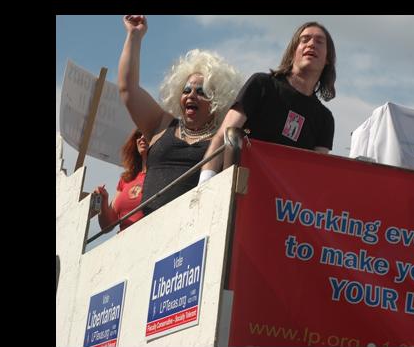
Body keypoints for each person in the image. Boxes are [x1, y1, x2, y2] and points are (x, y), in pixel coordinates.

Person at [118, 15, 243, 215]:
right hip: (149, 228)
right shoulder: (161, 124)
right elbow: (128, 89)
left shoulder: (222, 139)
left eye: (201, 92)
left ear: (216, 101)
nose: (191, 95)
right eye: (186, 90)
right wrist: (134, 35)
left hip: (196, 228)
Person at [199, 21, 337, 183]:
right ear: (293, 51)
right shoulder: (261, 85)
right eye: (305, 39)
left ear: (328, 59)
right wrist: (204, 185)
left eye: (319, 41)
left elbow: (316, 175)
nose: (311, 44)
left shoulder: (325, 119)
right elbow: (224, 135)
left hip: (283, 198)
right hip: (239, 188)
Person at [93, 129, 148, 232]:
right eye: (139, 135)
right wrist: (103, 201)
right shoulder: (126, 179)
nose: (142, 138)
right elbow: (106, 226)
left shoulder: (160, 173)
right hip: (125, 240)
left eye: (147, 134)